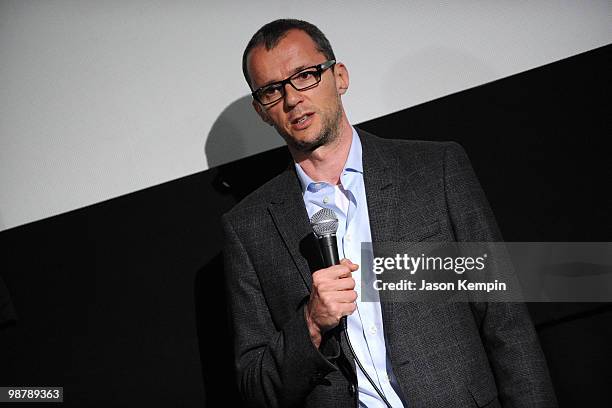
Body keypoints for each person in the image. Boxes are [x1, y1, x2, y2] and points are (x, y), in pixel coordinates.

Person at [222, 18, 557, 407]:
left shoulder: (435, 170)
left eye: (306, 75)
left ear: (340, 76)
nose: (292, 97)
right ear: (261, 110)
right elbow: (255, 386)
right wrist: (310, 324)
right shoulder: (248, 228)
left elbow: (506, 322)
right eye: (272, 90)